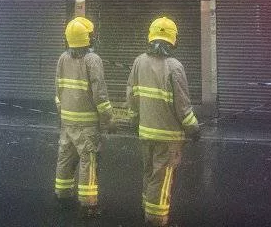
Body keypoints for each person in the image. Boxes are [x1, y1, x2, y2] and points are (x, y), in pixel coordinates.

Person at [126, 17, 200, 227]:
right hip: (168, 137)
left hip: (145, 132)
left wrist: (134, 120)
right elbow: (182, 105)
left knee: (149, 173)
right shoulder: (175, 67)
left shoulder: (139, 61)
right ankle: (157, 220)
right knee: (162, 177)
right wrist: (193, 128)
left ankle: (147, 209)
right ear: (173, 39)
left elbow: (131, 94)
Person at [54, 16, 113, 218]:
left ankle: (62, 194)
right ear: (86, 37)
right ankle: (88, 205)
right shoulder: (92, 60)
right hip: (86, 123)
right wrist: (109, 118)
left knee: (65, 158)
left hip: (67, 120)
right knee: (88, 160)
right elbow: (100, 94)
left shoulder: (63, 58)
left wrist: (61, 113)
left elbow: (58, 89)